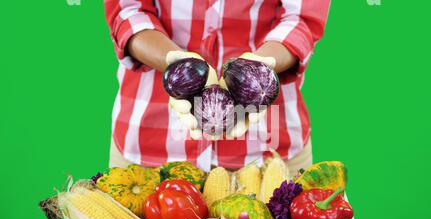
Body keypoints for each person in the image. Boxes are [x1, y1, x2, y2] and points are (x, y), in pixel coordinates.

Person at [104, 0, 331, 176]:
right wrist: (178, 65)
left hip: (269, 155)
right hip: (147, 144)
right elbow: (128, 10)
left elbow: (301, 18)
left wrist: (256, 70)